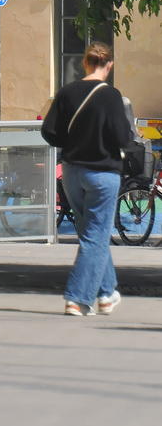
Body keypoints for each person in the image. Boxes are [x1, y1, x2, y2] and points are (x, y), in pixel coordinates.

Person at [41, 41, 131, 316]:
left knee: (91, 234)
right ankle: (78, 299)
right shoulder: (111, 96)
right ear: (109, 65)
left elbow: (49, 131)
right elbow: (123, 138)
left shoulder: (67, 92)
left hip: (71, 172)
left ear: (85, 63)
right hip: (103, 174)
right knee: (95, 236)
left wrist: (72, 143)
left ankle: (106, 294)